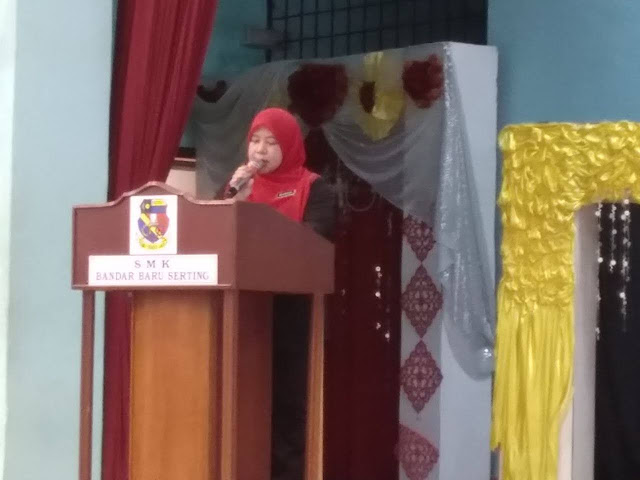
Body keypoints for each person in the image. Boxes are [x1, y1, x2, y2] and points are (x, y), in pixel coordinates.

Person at [228, 107, 335, 480]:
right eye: (255, 141)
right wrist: (236, 201)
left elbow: (312, 243)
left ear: (289, 146)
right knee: (240, 403)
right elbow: (215, 238)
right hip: (241, 312)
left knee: (287, 407)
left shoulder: (315, 188)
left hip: (292, 314)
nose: (260, 150)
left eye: (271, 143)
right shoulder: (240, 189)